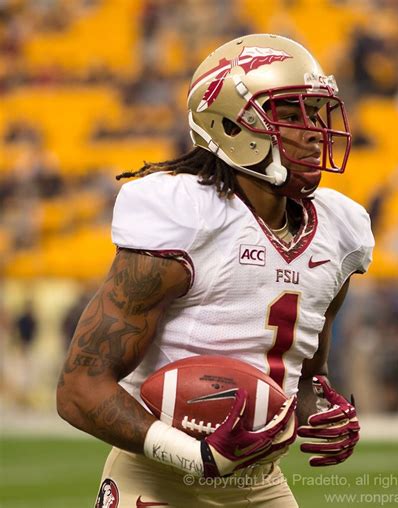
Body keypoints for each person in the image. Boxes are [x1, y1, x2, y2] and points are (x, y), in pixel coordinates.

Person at [57, 33, 374, 507]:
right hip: (160, 477)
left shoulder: (339, 229)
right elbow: (80, 388)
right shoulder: (186, 215)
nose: (312, 132)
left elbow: (302, 375)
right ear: (229, 124)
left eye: (316, 113)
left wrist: (322, 411)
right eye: (289, 115)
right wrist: (195, 454)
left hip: (259, 482)